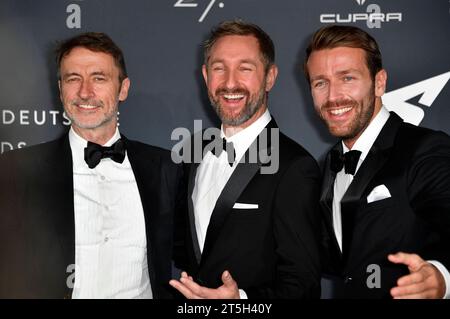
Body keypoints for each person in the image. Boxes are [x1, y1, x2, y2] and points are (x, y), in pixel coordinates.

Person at [0, 32, 185, 298]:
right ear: (61, 89)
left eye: (99, 78)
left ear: (123, 89)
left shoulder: (164, 168)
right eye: (73, 79)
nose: (85, 92)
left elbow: (192, 255)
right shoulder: (19, 171)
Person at [170, 20, 322, 299]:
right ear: (205, 76)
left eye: (245, 68)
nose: (230, 82)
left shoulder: (295, 167)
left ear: (270, 77)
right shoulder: (193, 153)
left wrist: (241, 301)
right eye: (219, 68)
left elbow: (303, 284)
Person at [304, 25, 450, 299]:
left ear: (379, 82)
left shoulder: (424, 149)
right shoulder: (328, 165)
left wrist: (442, 278)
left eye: (347, 78)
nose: (333, 96)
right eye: (320, 82)